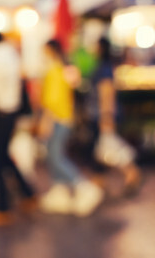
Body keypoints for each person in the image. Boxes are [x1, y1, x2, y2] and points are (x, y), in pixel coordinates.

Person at [38, 39, 103, 216]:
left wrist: (46, 120)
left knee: (56, 157)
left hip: (58, 119)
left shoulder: (54, 70)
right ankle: (60, 192)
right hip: (66, 117)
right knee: (54, 156)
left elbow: (52, 100)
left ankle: (83, 186)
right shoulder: (65, 69)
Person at [0, 32, 36, 227]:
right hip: (12, 112)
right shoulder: (11, 53)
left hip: (1, 112)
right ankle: (27, 193)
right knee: (4, 156)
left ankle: (2, 207)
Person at [89, 37, 141, 193]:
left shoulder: (103, 68)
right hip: (99, 114)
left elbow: (107, 92)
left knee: (109, 147)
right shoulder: (102, 66)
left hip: (102, 114)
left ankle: (132, 173)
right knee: (99, 149)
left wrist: (106, 116)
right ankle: (100, 181)